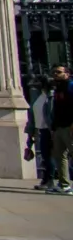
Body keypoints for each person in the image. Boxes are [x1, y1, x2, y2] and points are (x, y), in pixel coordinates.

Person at [28, 75, 58, 190]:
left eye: (37, 83)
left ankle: (50, 180)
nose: (34, 85)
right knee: (45, 156)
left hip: (50, 130)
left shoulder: (51, 97)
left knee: (50, 156)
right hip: (40, 130)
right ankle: (47, 179)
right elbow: (33, 116)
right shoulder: (39, 97)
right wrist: (30, 133)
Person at [50, 65, 73, 194]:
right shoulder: (58, 88)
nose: (55, 74)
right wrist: (54, 127)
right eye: (54, 72)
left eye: (58, 72)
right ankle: (64, 184)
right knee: (60, 156)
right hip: (59, 126)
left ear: (67, 74)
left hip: (69, 126)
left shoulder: (70, 86)